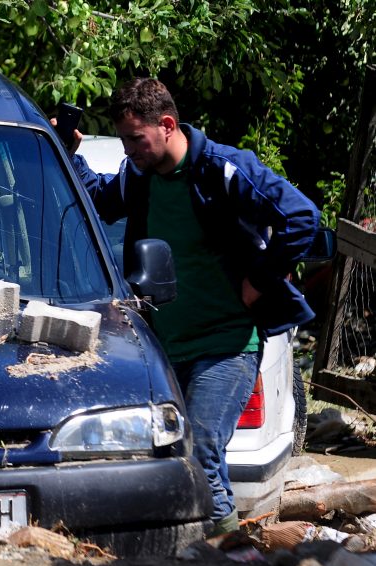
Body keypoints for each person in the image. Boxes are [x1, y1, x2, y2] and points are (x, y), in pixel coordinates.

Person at [66, 78, 320, 535]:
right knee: (163, 461)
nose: (129, 151)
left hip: (226, 345)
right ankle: (190, 563)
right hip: (163, 350)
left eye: (134, 139)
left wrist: (258, 281)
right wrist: (70, 153)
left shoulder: (224, 169)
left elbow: (302, 218)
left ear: (166, 125)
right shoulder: (140, 178)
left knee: (201, 450)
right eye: (123, 140)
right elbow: (99, 201)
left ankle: (231, 560)